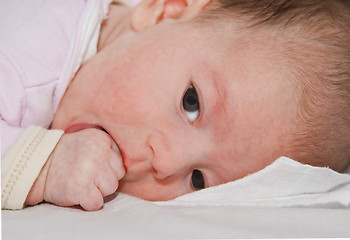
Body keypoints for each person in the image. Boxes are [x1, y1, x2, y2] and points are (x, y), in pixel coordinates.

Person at [1, 0, 350, 211]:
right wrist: (40, 166)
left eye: (198, 181)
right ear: (168, 8)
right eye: (192, 103)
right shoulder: (26, 62)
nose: (167, 163)